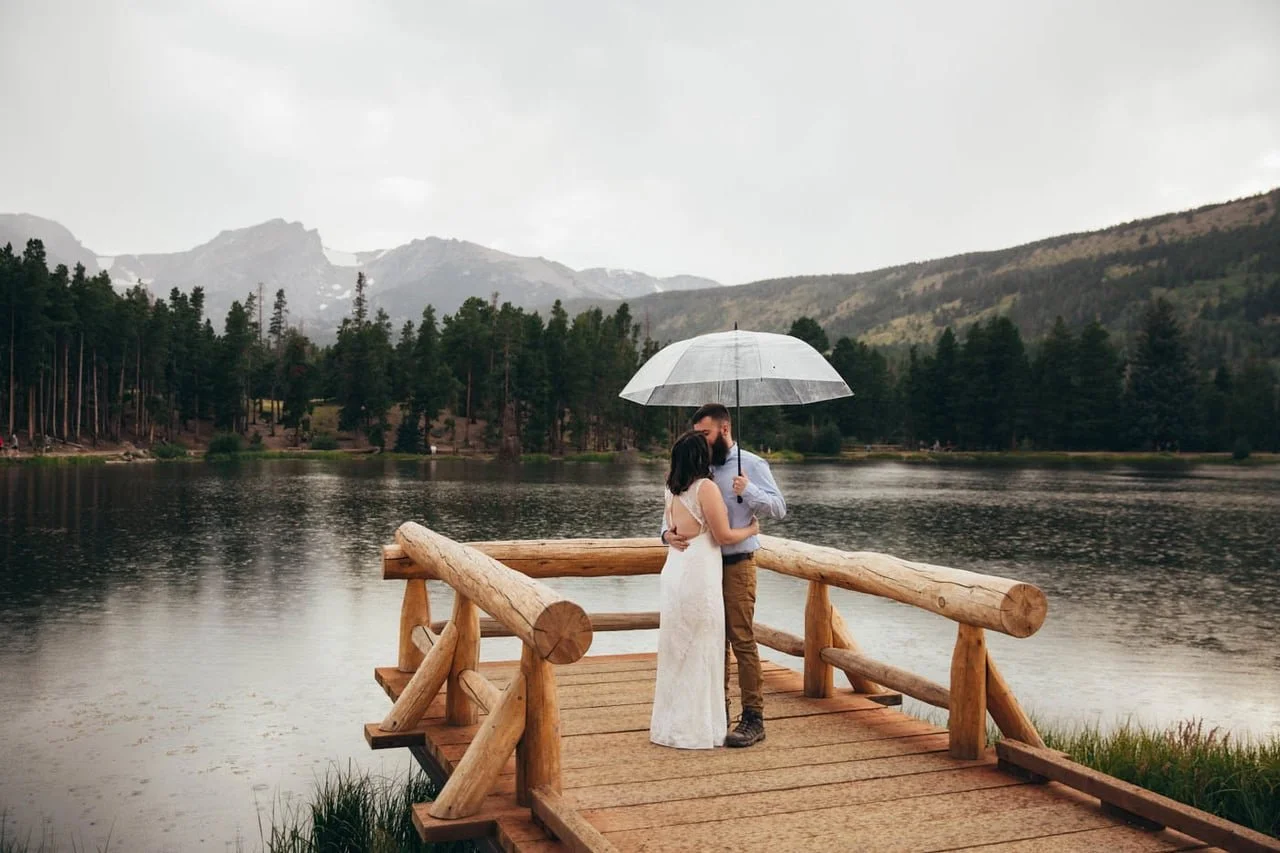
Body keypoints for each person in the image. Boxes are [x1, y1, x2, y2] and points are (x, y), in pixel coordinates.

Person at [662, 403, 786, 747]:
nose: (701, 440)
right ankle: (717, 711)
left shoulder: (751, 465)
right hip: (703, 569)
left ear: (724, 429)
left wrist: (749, 491)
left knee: (741, 639)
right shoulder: (699, 469)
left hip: (737, 563)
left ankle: (753, 718)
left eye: (705, 433)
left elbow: (779, 507)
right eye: (697, 435)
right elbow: (674, 514)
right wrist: (665, 536)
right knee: (711, 638)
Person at [650, 430, 759, 750]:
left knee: (677, 648)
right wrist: (752, 528)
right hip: (699, 573)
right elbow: (724, 536)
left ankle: (671, 726)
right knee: (703, 647)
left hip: (675, 570)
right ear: (701, 456)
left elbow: (670, 529)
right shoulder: (705, 488)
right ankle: (698, 727)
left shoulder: (671, 489)